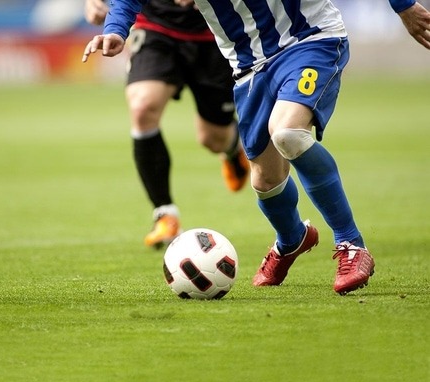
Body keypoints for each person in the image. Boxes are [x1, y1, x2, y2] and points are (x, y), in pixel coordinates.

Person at [82, 0, 430, 294]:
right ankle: (292, 238)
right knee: (264, 180)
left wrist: (402, 6)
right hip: (248, 66)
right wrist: (116, 28)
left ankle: (351, 243)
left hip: (309, 40)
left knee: (287, 132)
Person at [84, 0, 249, 249]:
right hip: (155, 26)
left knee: (212, 138)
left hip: (216, 31)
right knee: (142, 106)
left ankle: (232, 146)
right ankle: (165, 214)